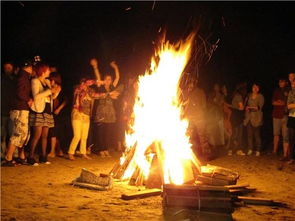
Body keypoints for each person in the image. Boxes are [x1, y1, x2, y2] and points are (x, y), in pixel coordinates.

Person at [28, 63, 61, 166]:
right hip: (38, 110)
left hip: (47, 110)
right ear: (43, 71)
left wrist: (56, 92)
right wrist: (49, 91)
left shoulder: (47, 81)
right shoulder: (35, 81)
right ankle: (31, 156)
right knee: (36, 135)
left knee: (45, 136)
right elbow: (36, 96)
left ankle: (43, 156)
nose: (49, 72)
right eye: (48, 70)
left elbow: (51, 97)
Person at [2, 61, 34, 166]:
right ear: (28, 68)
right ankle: (8, 157)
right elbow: (20, 93)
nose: (32, 70)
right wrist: (28, 99)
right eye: (31, 68)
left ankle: (20, 156)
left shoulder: (22, 78)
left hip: (21, 109)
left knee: (23, 134)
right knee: (18, 133)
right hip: (19, 109)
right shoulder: (22, 78)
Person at [67, 78, 105, 160]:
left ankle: (83, 153)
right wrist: (96, 81)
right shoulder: (77, 89)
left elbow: (97, 95)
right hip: (77, 113)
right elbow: (80, 89)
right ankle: (70, 152)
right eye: (82, 83)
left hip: (86, 115)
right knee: (77, 135)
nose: (83, 85)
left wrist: (109, 94)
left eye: (84, 83)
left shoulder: (90, 91)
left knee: (84, 136)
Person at [90, 59, 121, 157]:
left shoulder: (112, 87)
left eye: (109, 79)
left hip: (110, 111)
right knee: (101, 131)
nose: (108, 81)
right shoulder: (101, 86)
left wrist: (115, 67)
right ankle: (101, 149)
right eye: (106, 79)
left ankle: (106, 149)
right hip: (101, 110)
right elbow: (97, 76)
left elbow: (118, 77)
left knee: (108, 131)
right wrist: (95, 67)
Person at [183, 79, 209, 157]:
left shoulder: (200, 92)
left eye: (192, 83)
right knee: (187, 135)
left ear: (195, 83)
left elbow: (204, 105)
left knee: (202, 136)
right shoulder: (186, 92)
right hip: (189, 117)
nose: (190, 85)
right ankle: (187, 155)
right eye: (189, 83)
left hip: (199, 116)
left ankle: (206, 153)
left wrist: (201, 114)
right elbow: (183, 103)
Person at [48, 72, 67, 158]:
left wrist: (59, 109)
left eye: (51, 79)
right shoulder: (50, 88)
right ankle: (59, 150)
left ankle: (53, 151)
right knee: (54, 132)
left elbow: (65, 100)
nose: (50, 81)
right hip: (51, 112)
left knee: (54, 132)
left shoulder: (60, 88)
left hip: (58, 113)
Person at [1, 62, 17, 158]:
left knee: (13, 134)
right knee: (2, 134)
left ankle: (12, 154)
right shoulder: (2, 79)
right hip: (2, 110)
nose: (7, 69)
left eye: (9, 67)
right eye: (6, 68)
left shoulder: (15, 80)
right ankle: (2, 154)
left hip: (12, 110)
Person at [244, 83, 264, 156]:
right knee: (249, 135)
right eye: (253, 87)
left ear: (258, 89)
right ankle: (250, 149)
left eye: (256, 87)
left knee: (257, 135)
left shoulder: (260, 96)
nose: (255, 88)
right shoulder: (249, 96)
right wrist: (247, 108)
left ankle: (258, 150)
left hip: (257, 118)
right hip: (249, 118)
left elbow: (258, 107)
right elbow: (246, 105)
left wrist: (250, 108)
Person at [272, 77, 289, 160]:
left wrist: (281, 102)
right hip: (276, 115)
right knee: (276, 134)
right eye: (279, 82)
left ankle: (285, 154)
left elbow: (287, 103)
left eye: (282, 82)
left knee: (285, 135)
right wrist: (281, 103)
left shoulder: (288, 91)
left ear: (285, 82)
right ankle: (274, 151)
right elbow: (273, 102)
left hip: (285, 115)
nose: (280, 83)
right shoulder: (276, 91)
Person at [228, 83, 247, 156]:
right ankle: (236, 150)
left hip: (235, 116)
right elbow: (241, 107)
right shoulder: (239, 96)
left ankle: (231, 150)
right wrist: (245, 106)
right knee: (237, 134)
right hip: (238, 117)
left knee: (234, 134)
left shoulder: (234, 95)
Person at [221, 85, 232, 149]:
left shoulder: (229, 97)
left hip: (229, 118)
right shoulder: (222, 97)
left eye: (224, 88)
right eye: (222, 88)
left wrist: (228, 119)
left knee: (229, 133)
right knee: (225, 132)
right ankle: (226, 146)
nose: (223, 89)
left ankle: (229, 146)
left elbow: (231, 109)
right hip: (224, 117)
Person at [287, 78, 295, 164]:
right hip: (292, 117)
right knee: (292, 138)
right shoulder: (291, 93)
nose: (294, 85)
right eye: (293, 84)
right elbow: (288, 106)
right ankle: (291, 158)